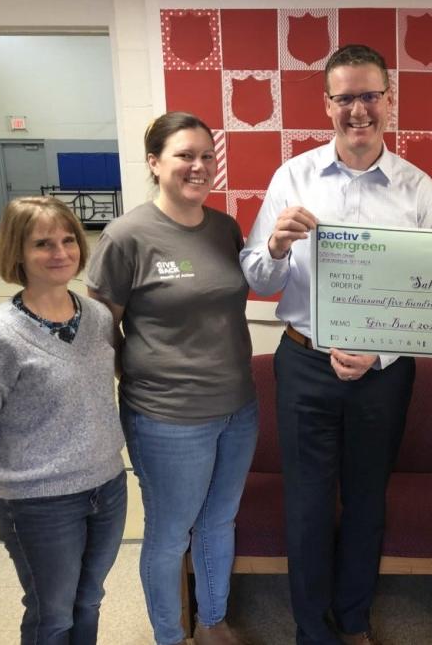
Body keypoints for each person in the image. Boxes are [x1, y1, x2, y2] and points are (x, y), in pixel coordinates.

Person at [239, 44, 432, 645]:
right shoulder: (292, 177)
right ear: (326, 104)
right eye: (344, 97)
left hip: (384, 371)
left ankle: (353, 624)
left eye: (369, 95)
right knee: (305, 507)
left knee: (365, 503)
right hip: (304, 362)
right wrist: (275, 247)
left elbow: (431, 292)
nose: (358, 109)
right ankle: (313, 632)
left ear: (390, 99)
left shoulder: (417, 189)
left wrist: (379, 352)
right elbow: (256, 278)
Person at [86, 112, 257, 645]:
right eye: (185, 155)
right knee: (168, 534)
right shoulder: (127, 236)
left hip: (237, 409)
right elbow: (99, 330)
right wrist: (140, 380)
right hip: (167, 419)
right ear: (155, 163)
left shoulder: (224, 227)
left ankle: (212, 622)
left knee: (219, 523)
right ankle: (169, 634)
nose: (199, 165)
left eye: (207, 155)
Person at [0, 196, 127, 645]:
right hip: (40, 504)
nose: (61, 252)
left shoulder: (98, 318)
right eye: (43, 243)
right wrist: (10, 485)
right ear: (17, 253)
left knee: (89, 601)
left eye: (68, 239)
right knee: (53, 617)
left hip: (106, 489)